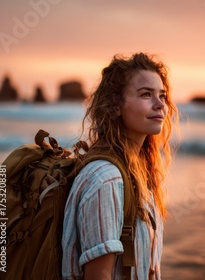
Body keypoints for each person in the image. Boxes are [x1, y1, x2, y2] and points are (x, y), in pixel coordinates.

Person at [61, 53, 178, 279]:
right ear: (115, 106)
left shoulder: (138, 173)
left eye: (162, 95)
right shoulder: (107, 180)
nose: (160, 104)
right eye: (146, 94)